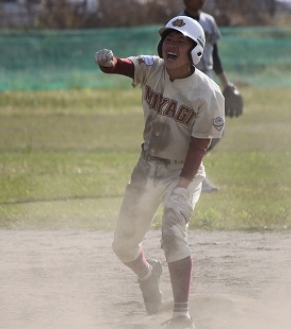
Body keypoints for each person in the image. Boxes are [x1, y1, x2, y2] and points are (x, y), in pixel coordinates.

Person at [94, 16, 225, 329]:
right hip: (147, 167)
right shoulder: (153, 68)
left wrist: (182, 188)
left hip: (182, 170)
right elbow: (123, 66)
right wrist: (109, 62)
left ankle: (181, 316)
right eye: (168, 39)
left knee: (172, 231)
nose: (171, 45)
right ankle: (147, 273)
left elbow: (199, 146)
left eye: (180, 41)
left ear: (196, 50)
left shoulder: (207, 92)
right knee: (123, 246)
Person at [179, 0, 243, 192]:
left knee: (217, 127)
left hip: (207, 81)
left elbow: (214, 55)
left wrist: (226, 84)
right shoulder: (178, 23)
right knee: (193, 130)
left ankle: (189, 170)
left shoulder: (209, 21)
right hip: (186, 81)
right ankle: (193, 175)